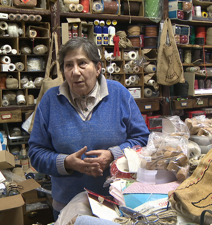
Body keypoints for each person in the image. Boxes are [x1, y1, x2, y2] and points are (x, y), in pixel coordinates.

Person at [28, 37, 150, 221]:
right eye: (68, 65)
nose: (75, 72)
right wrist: (67, 162)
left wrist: (113, 155)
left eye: (82, 63)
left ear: (98, 67)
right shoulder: (50, 101)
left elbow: (142, 139)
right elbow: (36, 153)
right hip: (67, 206)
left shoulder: (119, 94)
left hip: (116, 203)